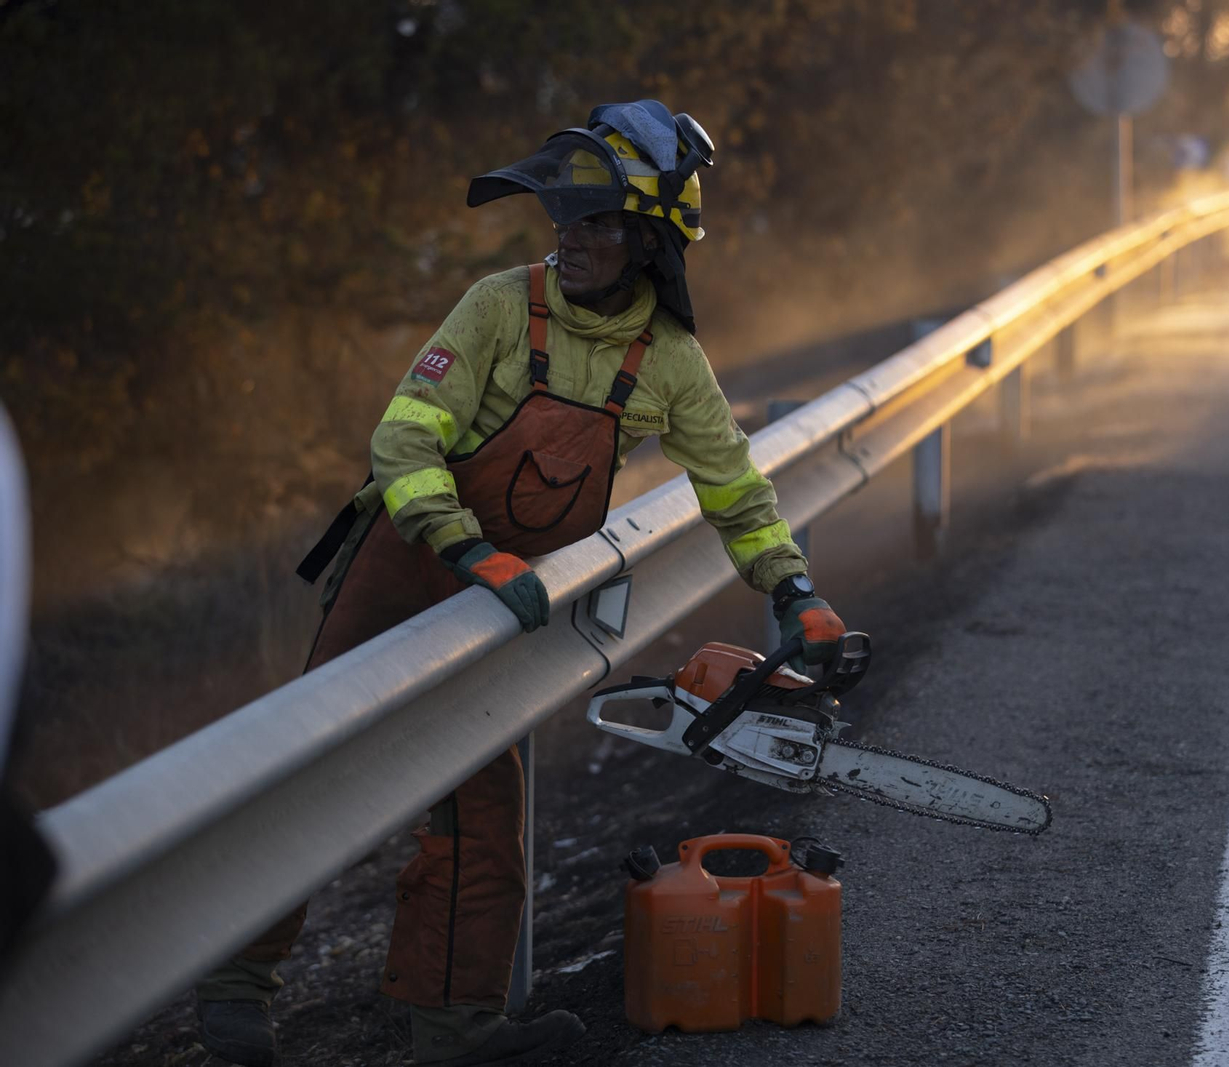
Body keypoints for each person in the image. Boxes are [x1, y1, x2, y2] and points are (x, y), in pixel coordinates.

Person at [194, 100, 846, 1067]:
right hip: (408, 563)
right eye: (566, 218)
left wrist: (793, 590)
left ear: (649, 243)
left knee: (484, 816)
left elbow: (735, 492)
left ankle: (455, 1028)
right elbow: (404, 438)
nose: (569, 238)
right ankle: (237, 987)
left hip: (498, 606)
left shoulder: (670, 362)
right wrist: (464, 547)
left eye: (597, 222)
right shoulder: (500, 305)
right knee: (314, 769)